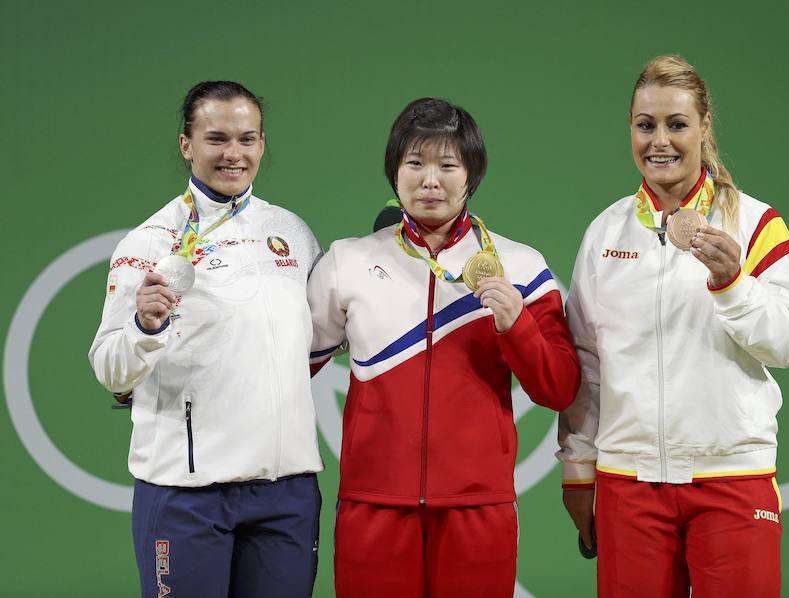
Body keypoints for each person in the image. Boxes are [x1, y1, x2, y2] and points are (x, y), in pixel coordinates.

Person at [308, 98, 581, 597]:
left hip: (478, 509)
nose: (429, 180)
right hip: (374, 505)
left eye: (447, 165)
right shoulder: (346, 262)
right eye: (415, 164)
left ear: (470, 176)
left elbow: (560, 388)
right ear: (394, 173)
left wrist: (516, 324)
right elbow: (286, 367)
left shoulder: (520, 267)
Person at [558, 55, 789, 598]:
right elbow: (587, 362)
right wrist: (579, 467)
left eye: (677, 124)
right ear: (631, 128)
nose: (660, 141)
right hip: (630, 482)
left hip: (732, 479)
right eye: (645, 125)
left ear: (704, 128)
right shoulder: (606, 230)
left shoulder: (756, 223)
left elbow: (788, 343)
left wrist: (731, 283)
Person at [88, 81, 323, 598]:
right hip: (187, 492)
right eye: (217, 138)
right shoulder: (150, 241)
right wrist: (145, 328)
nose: (233, 154)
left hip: (286, 490)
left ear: (262, 144)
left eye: (247, 138)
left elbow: (312, 345)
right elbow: (110, 367)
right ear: (186, 145)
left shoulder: (293, 233)